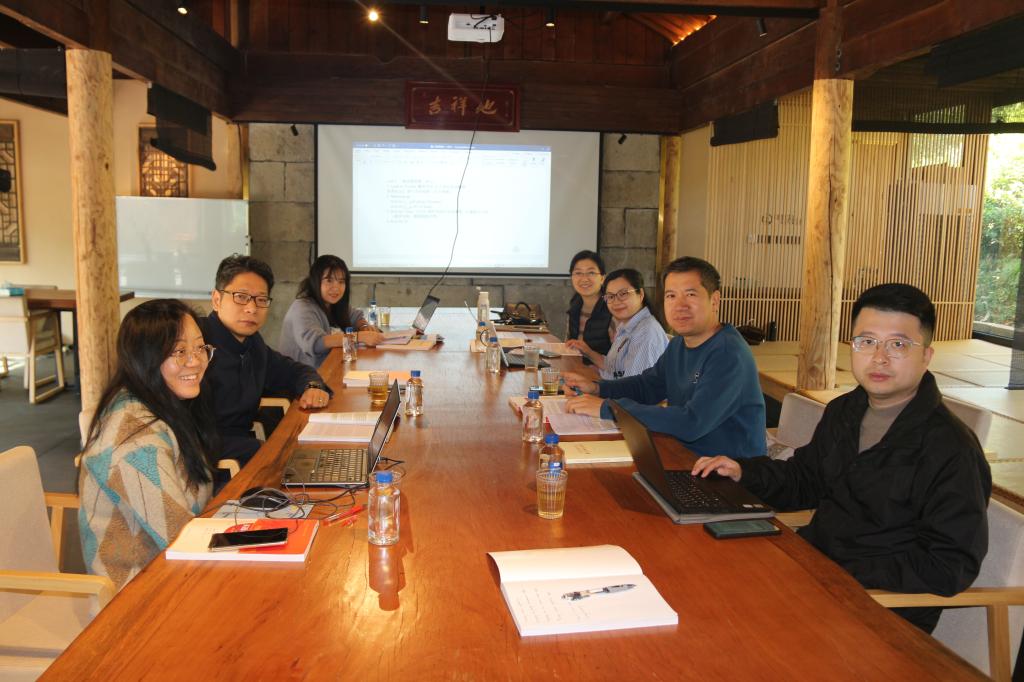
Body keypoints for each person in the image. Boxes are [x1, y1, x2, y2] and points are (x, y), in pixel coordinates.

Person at [692, 283, 991, 633]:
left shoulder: (952, 449)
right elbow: (805, 480)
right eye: (867, 341)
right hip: (813, 578)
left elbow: (950, 565)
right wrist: (743, 472)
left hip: (879, 612)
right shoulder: (845, 411)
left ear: (926, 355)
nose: (879, 357)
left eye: (898, 345)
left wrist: (841, 570)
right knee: (702, 592)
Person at [564, 256, 765, 459]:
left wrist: (609, 408)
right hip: (683, 454)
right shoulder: (679, 344)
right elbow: (649, 386)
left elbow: (692, 422)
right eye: (671, 296)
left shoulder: (728, 353)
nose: (680, 305)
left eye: (690, 294)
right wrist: (597, 388)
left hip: (727, 469)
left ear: (714, 300)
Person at [78, 299, 219, 590]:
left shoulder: (161, 405)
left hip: (172, 569)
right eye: (179, 351)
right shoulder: (135, 440)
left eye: (200, 347)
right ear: (146, 357)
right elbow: (180, 536)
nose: (195, 361)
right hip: (139, 593)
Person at [201, 254, 331, 465]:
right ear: (217, 300)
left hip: (243, 450)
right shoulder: (195, 344)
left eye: (261, 300)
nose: (252, 308)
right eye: (241, 297)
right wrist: (262, 451)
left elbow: (293, 370)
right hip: (209, 462)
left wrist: (313, 386)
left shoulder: (252, 344)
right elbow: (189, 434)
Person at [279, 255, 384, 367]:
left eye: (341, 282)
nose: (336, 288)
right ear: (315, 281)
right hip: (300, 375)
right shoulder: (302, 308)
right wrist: (359, 337)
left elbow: (356, 317)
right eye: (329, 281)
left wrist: (364, 326)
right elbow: (316, 343)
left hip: (327, 367)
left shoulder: (334, 303)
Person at [582, 268, 668, 379]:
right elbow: (614, 367)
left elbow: (635, 386)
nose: (616, 301)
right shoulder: (627, 326)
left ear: (640, 294)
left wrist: (595, 382)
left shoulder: (646, 333)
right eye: (611, 296)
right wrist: (586, 351)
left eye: (623, 294)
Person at [565, 250, 612, 364]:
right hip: (576, 368)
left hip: (603, 373)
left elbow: (619, 362)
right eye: (578, 273)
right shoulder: (575, 305)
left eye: (591, 273)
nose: (584, 278)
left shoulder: (612, 308)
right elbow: (568, 344)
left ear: (602, 278)